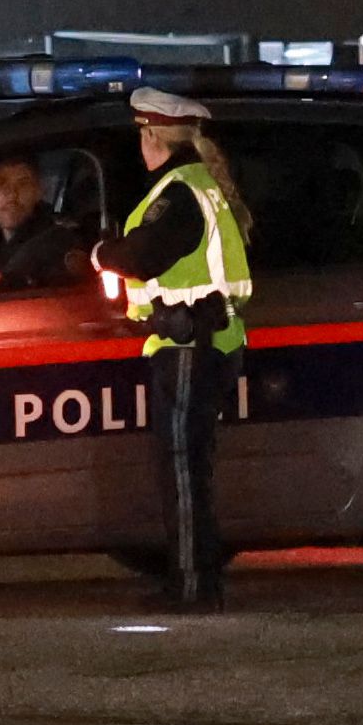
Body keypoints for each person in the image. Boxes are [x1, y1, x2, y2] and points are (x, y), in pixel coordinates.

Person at [92, 88, 254, 611]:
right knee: (191, 468)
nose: (139, 144)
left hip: (189, 344)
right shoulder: (201, 184)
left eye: (143, 134)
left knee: (182, 469)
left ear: (153, 136)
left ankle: (192, 587)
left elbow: (140, 256)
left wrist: (96, 254)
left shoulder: (178, 192)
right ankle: (196, 581)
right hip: (210, 340)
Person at [0, 154, 88, 288]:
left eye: (23, 184)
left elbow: (58, 301)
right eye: (1, 183)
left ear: (38, 192)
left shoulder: (60, 243)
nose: (12, 194)